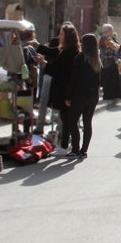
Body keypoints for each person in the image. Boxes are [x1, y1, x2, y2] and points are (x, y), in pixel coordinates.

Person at [45, 23, 80, 156]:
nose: (59, 36)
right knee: (66, 119)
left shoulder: (68, 52)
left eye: (61, 34)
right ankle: (69, 145)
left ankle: (65, 146)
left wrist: (44, 64)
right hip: (67, 90)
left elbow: (59, 71)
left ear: (67, 36)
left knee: (66, 119)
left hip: (65, 91)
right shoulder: (69, 50)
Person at [65, 33, 101, 159]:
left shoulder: (80, 58)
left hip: (80, 94)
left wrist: (68, 95)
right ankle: (84, 150)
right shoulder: (97, 60)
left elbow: (74, 78)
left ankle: (75, 148)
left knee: (72, 121)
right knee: (87, 122)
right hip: (93, 95)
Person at [100, 35, 121, 103]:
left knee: (110, 82)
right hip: (108, 67)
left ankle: (111, 96)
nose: (106, 41)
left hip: (110, 67)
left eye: (107, 40)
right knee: (109, 83)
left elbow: (112, 56)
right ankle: (109, 96)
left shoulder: (110, 47)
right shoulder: (104, 49)